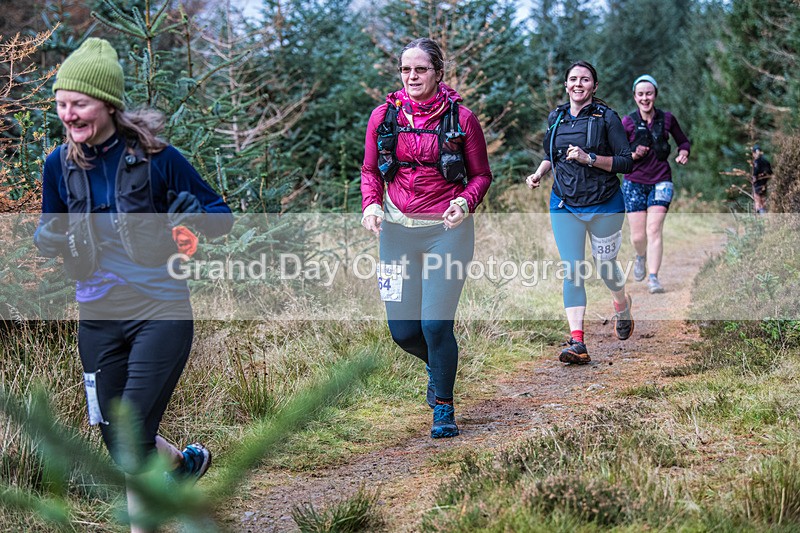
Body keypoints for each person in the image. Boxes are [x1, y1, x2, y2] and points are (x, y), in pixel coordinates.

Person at [32, 38, 233, 532]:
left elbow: (219, 217)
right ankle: (183, 467)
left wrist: (194, 218)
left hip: (159, 310)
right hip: (97, 317)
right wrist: (45, 234)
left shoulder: (158, 158)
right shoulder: (58, 164)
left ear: (108, 104)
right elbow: (46, 231)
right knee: (113, 433)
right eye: (61, 104)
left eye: (78, 103)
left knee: (131, 430)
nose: (68, 113)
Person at [361, 38, 492, 438]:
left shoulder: (462, 118)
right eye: (406, 70)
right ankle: (439, 367)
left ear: (438, 72)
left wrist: (465, 203)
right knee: (402, 331)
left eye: (420, 69)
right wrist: (371, 204)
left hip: (446, 232)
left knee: (435, 325)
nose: (412, 76)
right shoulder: (383, 116)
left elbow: (481, 175)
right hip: (397, 233)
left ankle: (444, 408)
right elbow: (369, 170)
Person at [526, 60, 634, 365]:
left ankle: (621, 303)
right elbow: (552, 154)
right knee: (572, 269)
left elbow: (626, 162)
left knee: (605, 267)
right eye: (573, 79)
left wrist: (590, 158)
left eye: (585, 79)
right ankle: (577, 342)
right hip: (564, 203)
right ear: (566, 84)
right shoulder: (557, 117)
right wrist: (539, 173)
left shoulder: (607, 118)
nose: (578, 84)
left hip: (605, 203)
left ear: (594, 86)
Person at [620, 74, 691, 294]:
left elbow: (683, 141)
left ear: (655, 95)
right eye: (640, 94)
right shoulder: (627, 122)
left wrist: (683, 153)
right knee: (638, 236)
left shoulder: (667, 119)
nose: (645, 98)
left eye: (649, 93)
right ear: (634, 97)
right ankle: (640, 256)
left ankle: (653, 278)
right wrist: (633, 154)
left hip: (661, 180)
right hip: (633, 182)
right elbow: (617, 154)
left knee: (654, 230)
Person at [751, 144, 772, 214]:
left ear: (754, 153)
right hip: (764, 184)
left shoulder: (756, 162)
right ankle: (764, 216)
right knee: (763, 202)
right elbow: (770, 173)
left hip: (758, 184)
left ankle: (761, 218)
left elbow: (755, 173)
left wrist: (754, 179)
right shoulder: (766, 161)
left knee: (758, 202)